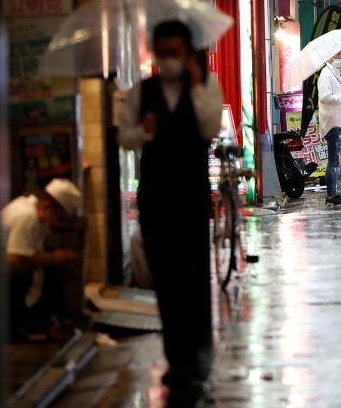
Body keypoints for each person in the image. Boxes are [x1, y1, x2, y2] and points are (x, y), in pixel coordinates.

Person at [119, 20, 222, 401]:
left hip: (191, 196)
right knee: (165, 279)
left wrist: (196, 84)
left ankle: (197, 359)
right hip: (156, 197)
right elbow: (125, 139)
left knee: (193, 275)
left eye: (175, 52)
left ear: (188, 52)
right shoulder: (142, 92)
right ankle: (176, 359)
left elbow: (210, 127)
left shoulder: (205, 87)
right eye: (163, 52)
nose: (169, 59)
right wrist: (144, 132)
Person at [2, 179, 83, 341]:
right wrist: (53, 258)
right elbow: (15, 258)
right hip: (5, 276)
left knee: (50, 270)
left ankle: (46, 323)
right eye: (60, 218)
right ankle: (12, 329)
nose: (58, 225)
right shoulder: (27, 215)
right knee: (24, 273)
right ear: (47, 207)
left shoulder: (33, 212)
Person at [317, 49, 341, 207]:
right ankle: (331, 194)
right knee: (334, 161)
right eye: (339, 54)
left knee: (337, 161)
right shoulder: (326, 73)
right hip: (334, 123)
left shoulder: (335, 73)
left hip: (339, 122)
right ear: (329, 56)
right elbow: (325, 97)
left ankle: (333, 193)